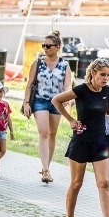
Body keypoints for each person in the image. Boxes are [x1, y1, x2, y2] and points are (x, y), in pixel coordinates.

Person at [53, 58, 109, 217]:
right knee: (76, 183)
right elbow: (56, 100)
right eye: (102, 75)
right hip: (81, 141)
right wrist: (70, 120)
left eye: (108, 75)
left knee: (104, 182)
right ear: (93, 73)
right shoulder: (81, 90)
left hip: (100, 141)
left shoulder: (106, 91)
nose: (106, 78)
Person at [23, 31, 74, 183]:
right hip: (40, 101)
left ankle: (47, 167)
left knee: (52, 135)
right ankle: (45, 169)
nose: (45, 48)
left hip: (57, 102)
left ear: (57, 47)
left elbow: (67, 86)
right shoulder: (37, 63)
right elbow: (30, 84)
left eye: (48, 45)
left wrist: (68, 101)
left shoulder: (65, 65)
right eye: (43, 45)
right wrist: (26, 103)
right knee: (44, 133)